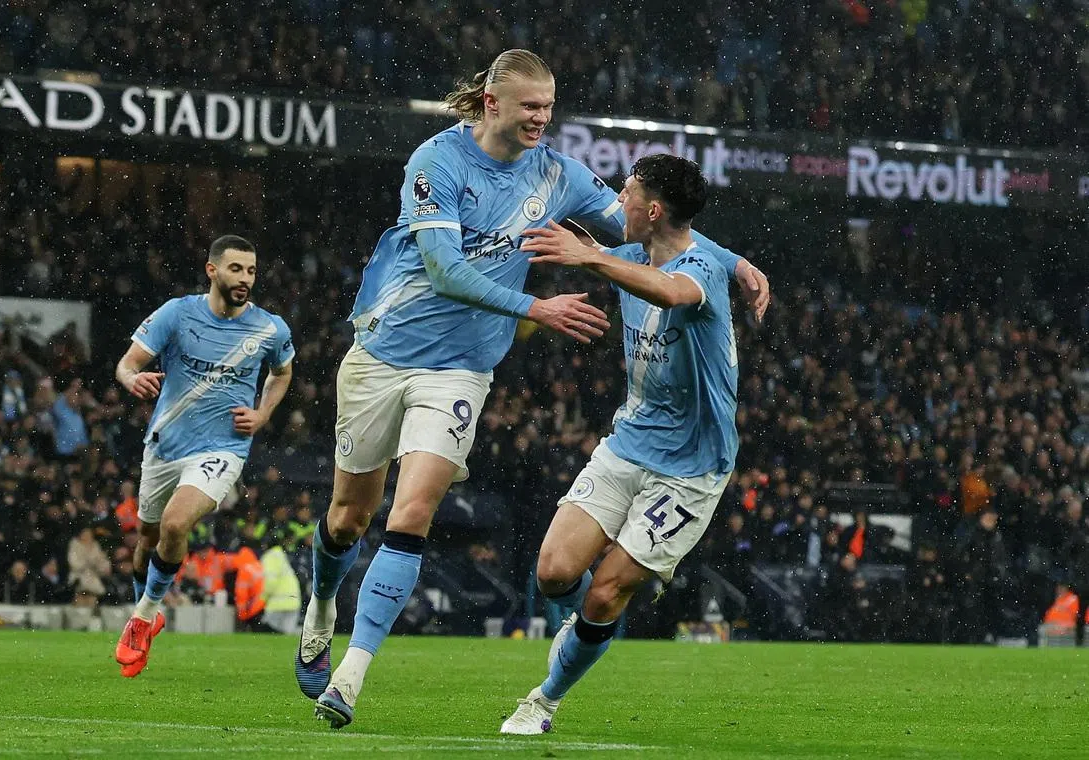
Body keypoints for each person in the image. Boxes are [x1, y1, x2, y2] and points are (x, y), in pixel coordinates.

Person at [295, 49, 769, 729]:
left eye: (550, 107)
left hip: (461, 368)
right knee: (346, 518)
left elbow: (660, 232)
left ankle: (349, 678)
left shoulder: (559, 174)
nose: (543, 119)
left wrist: (732, 259)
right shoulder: (437, 163)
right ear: (492, 103)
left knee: (411, 515)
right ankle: (320, 606)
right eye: (531, 107)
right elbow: (445, 271)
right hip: (383, 353)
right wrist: (536, 310)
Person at [497, 153, 740, 734]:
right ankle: (582, 626)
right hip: (629, 443)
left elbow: (671, 292)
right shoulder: (633, 250)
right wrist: (597, 254)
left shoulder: (700, 267)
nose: (617, 202)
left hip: (692, 467)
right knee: (553, 573)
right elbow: (634, 257)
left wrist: (591, 258)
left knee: (606, 593)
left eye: (626, 193)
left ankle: (544, 701)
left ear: (653, 210)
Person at [113, 234, 294, 678]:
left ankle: (142, 616)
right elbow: (126, 363)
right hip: (164, 445)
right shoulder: (177, 313)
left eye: (251, 271)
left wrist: (263, 413)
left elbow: (283, 372)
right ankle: (146, 607)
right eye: (236, 269)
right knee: (148, 540)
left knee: (177, 524)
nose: (245, 279)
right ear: (212, 270)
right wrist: (130, 379)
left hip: (222, 448)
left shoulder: (270, 328)